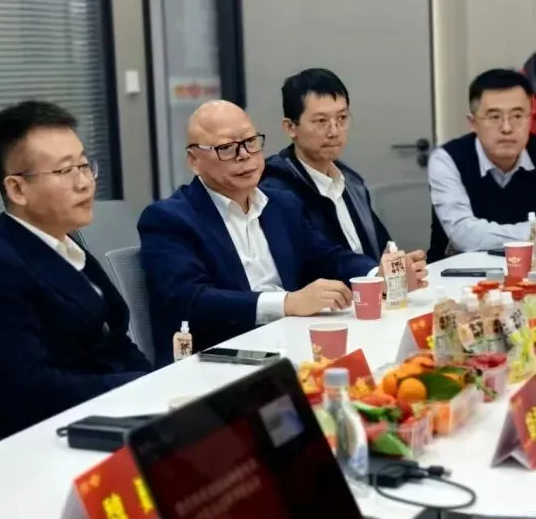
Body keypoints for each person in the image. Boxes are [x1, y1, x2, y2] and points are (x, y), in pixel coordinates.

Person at [138, 101, 427, 365]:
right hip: (217, 358)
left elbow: (327, 257)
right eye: (226, 148)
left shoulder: (281, 205)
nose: (244, 156)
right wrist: (287, 304)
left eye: (251, 142)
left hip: (288, 340)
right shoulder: (169, 219)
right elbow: (191, 301)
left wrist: (378, 277)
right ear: (194, 160)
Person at [0, 101, 151, 451]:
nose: (84, 183)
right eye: (64, 171)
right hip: (40, 446)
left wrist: (157, 385)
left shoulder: (65, 245)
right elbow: (32, 391)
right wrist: (138, 387)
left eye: (84, 166)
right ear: (17, 189)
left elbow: (116, 337)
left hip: (102, 420)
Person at [263, 68, 391, 262]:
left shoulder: (351, 182)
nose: (334, 131)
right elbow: (314, 262)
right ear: (290, 127)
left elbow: (383, 249)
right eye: (321, 121)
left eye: (341, 118)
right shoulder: (276, 189)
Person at [428, 69, 536, 260]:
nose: (506, 128)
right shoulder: (447, 159)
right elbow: (464, 235)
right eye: (494, 117)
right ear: (473, 122)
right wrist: (532, 232)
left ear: (530, 119)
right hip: (455, 272)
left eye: (517, 116)